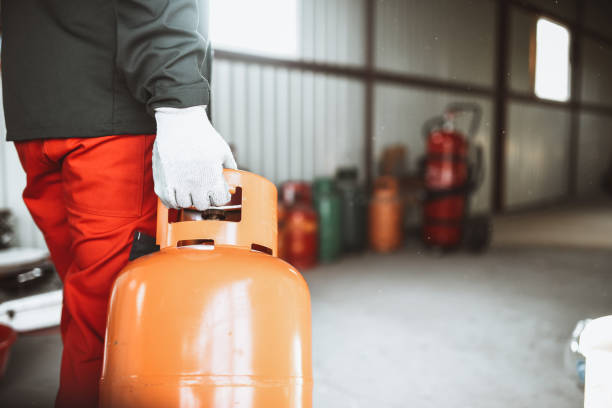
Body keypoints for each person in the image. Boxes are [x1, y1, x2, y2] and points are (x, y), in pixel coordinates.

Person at [0, 0, 235, 406]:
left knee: (88, 314)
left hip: (37, 117)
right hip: (115, 114)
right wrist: (179, 101)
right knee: (119, 328)